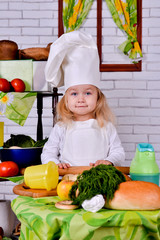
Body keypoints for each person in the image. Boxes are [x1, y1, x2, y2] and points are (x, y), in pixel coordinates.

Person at [41, 31, 125, 169]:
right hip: (67, 181)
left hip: (99, 180)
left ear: (98, 97)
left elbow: (118, 152)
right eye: (74, 94)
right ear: (66, 100)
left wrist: (109, 161)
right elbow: (48, 153)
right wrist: (56, 164)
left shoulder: (106, 126)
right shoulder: (61, 128)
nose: (81, 99)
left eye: (87, 93)